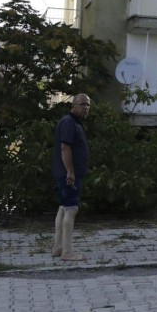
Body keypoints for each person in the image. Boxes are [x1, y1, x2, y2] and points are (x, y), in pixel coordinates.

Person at [52, 93, 91, 262]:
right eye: (82, 104)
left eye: (88, 105)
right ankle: (67, 252)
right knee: (71, 208)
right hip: (68, 174)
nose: (86, 107)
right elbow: (65, 148)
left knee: (63, 207)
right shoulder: (68, 122)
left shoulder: (75, 123)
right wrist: (70, 172)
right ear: (73, 105)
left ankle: (58, 247)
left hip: (67, 173)